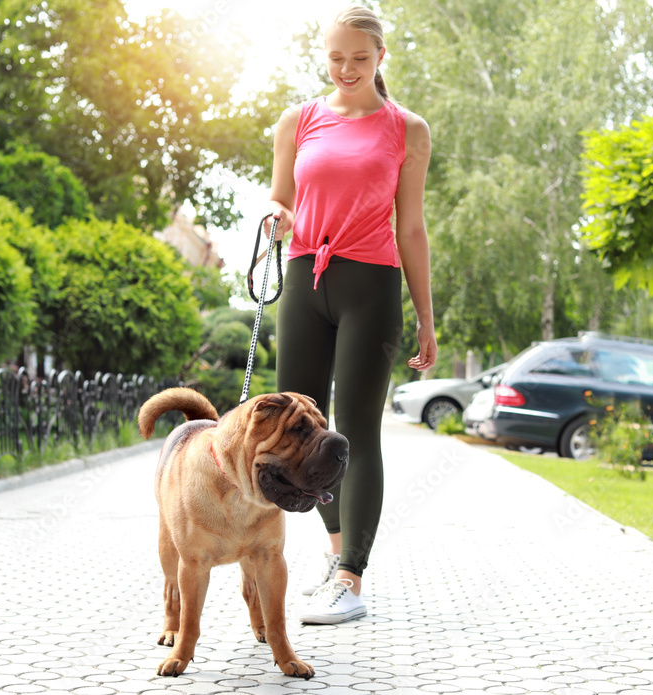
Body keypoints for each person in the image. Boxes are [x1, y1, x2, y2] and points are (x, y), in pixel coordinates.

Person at [263, 5, 437, 625]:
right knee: (296, 434)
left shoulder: (406, 128)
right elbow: (283, 196)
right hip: (304, 278)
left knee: (356, 432)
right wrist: (278, 215)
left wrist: (425, 316)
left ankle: (351, 579)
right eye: (336, 58)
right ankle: (333, 555)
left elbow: (411, 228)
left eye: (359, 59)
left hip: (371, 283)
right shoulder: (298, 120)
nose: (346, 69)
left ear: (381, 58)